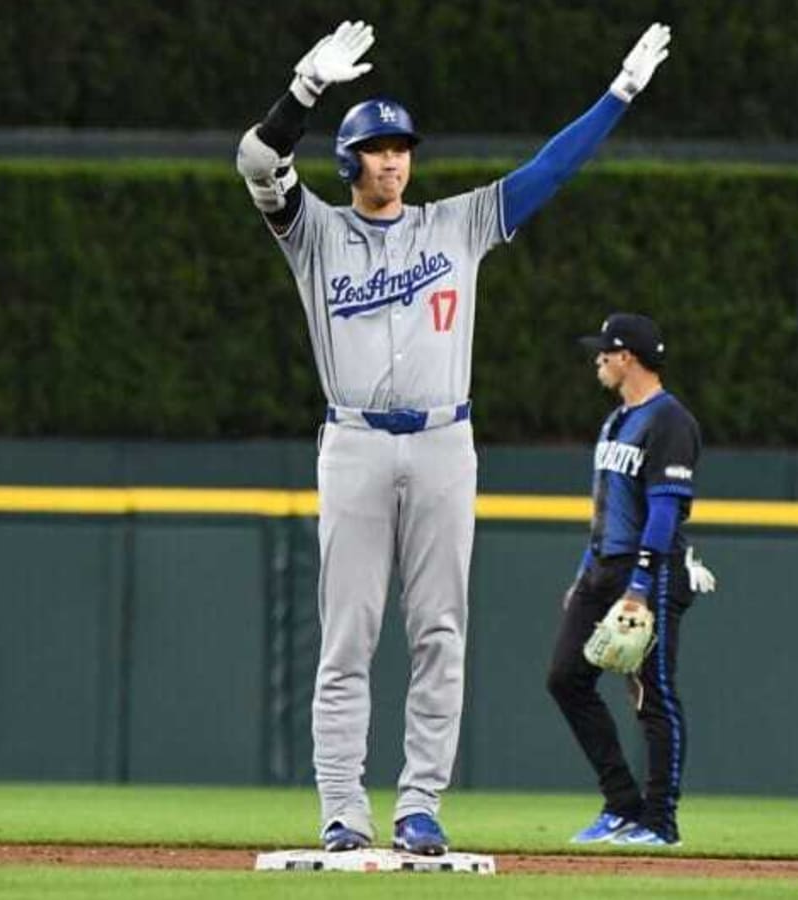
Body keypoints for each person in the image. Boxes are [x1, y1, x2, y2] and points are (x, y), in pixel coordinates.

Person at [233, 19, 673, 856]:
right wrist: (305, 90)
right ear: (348, 161)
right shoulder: (313, 232)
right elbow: (256, 162)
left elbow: (550, 170)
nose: (394, 160)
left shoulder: (458, 225)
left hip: (443, 442)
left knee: (439, 630)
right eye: (378, 148)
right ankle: (342, 811)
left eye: (402, 147)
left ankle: (421, 805)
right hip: (356, 442)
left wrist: (618, 93)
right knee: (348, 634)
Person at [546, 313, 710, 848]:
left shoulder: (670, 421)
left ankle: (660, 821)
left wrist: (640, 584)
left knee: (653, 694)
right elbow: (603, 509)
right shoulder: (617, 420)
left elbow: (665, 511)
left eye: (604, 352)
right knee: (566, 678)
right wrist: (582, 575)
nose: (598, 359)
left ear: (627, 357)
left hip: (650, 569)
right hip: (602, 565)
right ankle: (622, 804)